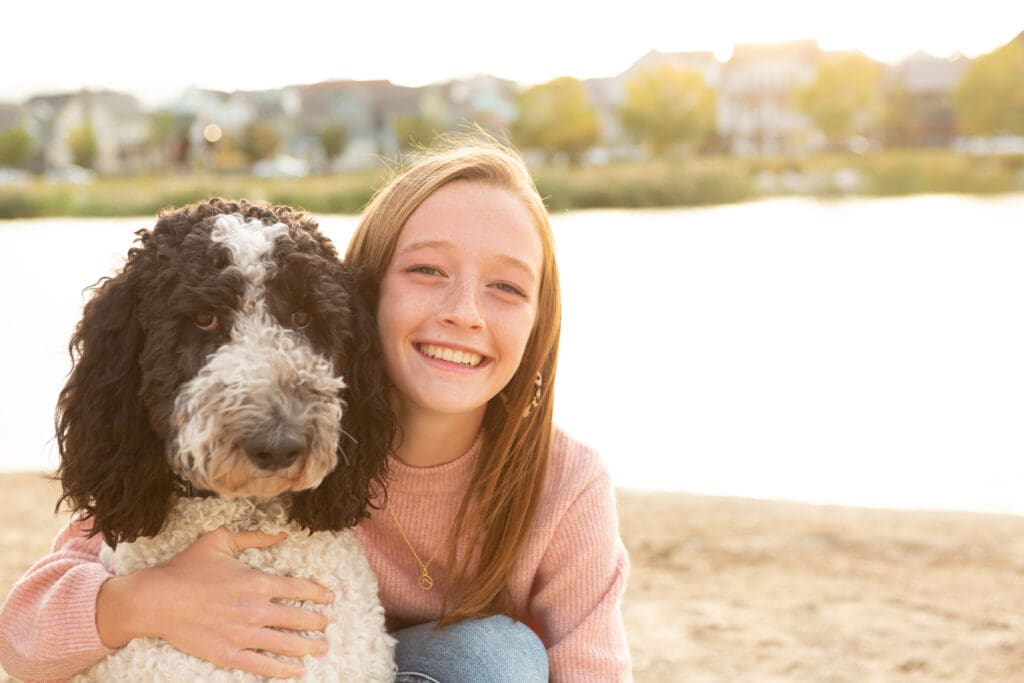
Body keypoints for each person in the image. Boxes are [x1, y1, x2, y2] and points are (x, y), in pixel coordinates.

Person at [0, 137, 631, 682]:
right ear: (367, 296)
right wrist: (144, 601)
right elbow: (23, 633)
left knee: (495, 655)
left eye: (507, 286)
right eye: (428, 270)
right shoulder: (205, 472)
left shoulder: (564, 482)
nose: (463, 312)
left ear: (540, 319)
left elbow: (593, 663)